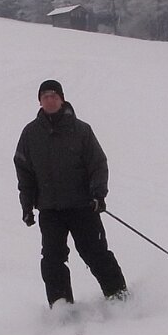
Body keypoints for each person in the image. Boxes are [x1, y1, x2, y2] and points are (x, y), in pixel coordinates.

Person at [13, 79, 128, 306]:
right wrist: (27, 206)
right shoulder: (30, 134)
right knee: (52, 259)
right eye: (45, 96)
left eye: (54, 96)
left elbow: (98, 164)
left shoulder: (81, 130)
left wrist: (98, 195)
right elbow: (24, 172)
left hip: (83, 207)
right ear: (39, 101)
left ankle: (120, 299)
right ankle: (61, 307)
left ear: (62, 99)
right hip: (50, 209)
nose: (50, 100)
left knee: (95, 253)